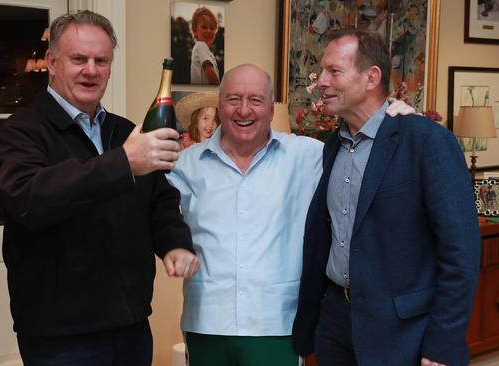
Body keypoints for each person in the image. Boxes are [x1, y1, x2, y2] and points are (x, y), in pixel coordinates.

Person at [166, 64, 415, 366]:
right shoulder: (184, 164)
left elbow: (367, 163)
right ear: (219, 107)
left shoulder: (310, 156)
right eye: (233, 99)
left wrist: (398, 124)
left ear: (271, 109)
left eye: (256, 100)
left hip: (278, 326)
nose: (244, 110)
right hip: (206, 323)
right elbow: (155, 214)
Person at [0, 10, 199, 366]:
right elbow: (30, 199)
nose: (91, 70)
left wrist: (175, 243)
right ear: (53, 62)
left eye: (101, 60)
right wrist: (123, 164)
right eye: (79, 59)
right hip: (60, 335)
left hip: (130, 323)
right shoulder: (20, 132)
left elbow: (160, 203)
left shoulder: (126, 132)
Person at [291, 30, 481, 366]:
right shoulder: (333, 145)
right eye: (321, 71)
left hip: (402, 330)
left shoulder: (426, 142)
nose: (320, 81)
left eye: (334, 72)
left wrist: (443, 342)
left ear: (371, 78)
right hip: (336, 321)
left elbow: (461, 254)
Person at [190, 6, 220, 85]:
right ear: (195, 31)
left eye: (212, 28)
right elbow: (209, 71)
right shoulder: (201, 46)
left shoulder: (204, 49)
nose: (208, 30)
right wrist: (219, 88)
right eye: (204, 27)